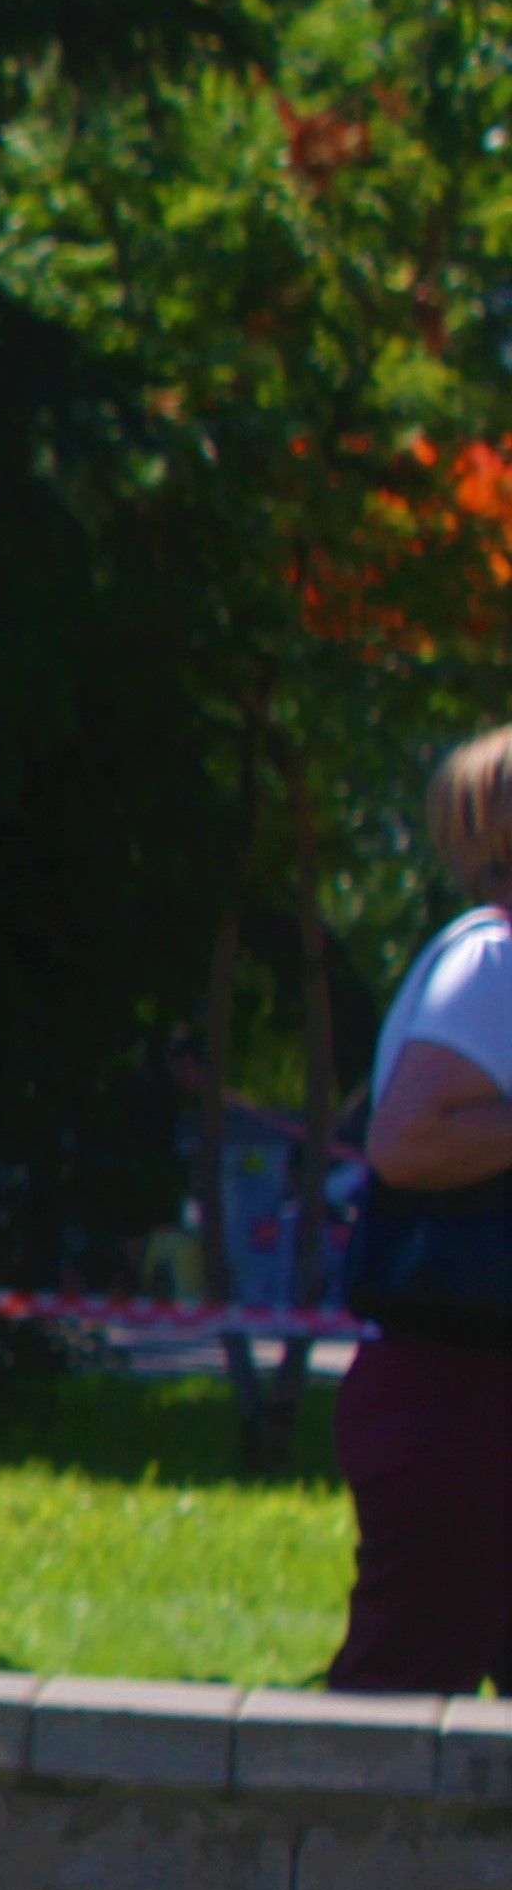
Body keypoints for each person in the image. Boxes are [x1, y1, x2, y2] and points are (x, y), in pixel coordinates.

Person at [328, 725, 512, 1696]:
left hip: (470, 1401)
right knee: (392, 1722)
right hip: (462, 1402)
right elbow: (407, 1143)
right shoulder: (493, 962)